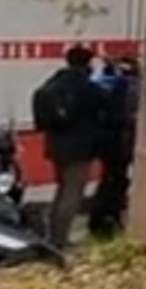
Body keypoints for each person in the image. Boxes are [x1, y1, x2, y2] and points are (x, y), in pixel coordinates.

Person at [32, 44, 114, 250]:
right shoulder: (87, 86)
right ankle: (61, 239)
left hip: (56, 146)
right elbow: (109, 104)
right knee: (73, 192)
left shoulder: (55, 82)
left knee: (62, 189)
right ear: (88, 62)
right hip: (80, 148)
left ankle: (53, 235)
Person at [87, 56, 140, 239]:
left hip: (107, 141)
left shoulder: (103, 85)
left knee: (110, 180)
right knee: (117, 181)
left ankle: (101, 219)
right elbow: (126, 115)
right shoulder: (131, 88)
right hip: (122, 141)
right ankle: (109, 220)